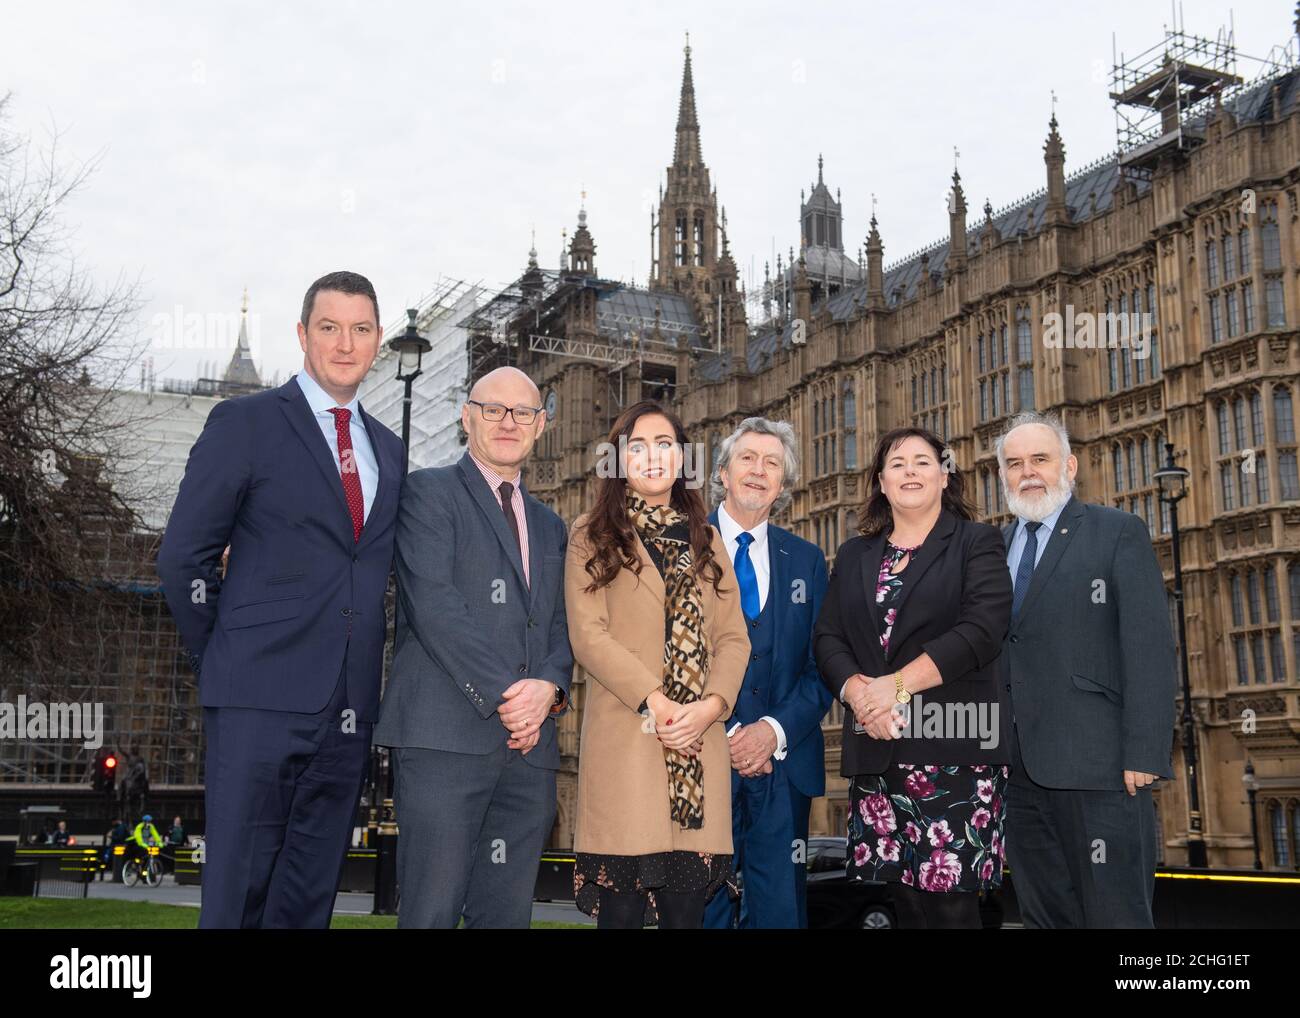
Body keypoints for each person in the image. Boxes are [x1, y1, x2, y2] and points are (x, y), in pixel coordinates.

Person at [157, 271, 405, 928]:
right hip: (255, 699)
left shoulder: (390, 449)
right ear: (302, 335)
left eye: (359, 329)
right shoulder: (246, 422)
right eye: (329, 327)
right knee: (238, 895)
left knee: (307, 898)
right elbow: (183, 557)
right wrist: (225, 659)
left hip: (347, 712)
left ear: (378, 340)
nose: (344, 343)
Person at [374, 366, 573, 929]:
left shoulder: (551, 526)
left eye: (524, 413)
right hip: (445, 740)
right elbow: (435, 608)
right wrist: (514, 697)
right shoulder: (427, 492)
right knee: (430, 913)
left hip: (529, 755)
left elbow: (560, 627)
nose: (509, 422)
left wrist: (551, 691)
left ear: (541, 426)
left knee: (505, 917)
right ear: (468, 417)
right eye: (494, 409)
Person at [813, 427, 1013, 929]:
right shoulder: (856, 554)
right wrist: (860, 696)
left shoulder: (976, 542)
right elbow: (827, 639)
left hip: (954, 746)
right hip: (878, 747)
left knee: (951, 906)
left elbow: (983, 630)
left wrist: (894, 687)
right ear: (880, 481)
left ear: (946, 475)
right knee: (905, 903)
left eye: (923, 461)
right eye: (897, 463)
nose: (909, 471)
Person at [565, 400, 751, 929]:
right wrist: (660, 703)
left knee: (685, 915)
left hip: (698, 748)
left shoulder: (707, 538)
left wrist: (712, 705)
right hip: (630, 742)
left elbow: (733, 638)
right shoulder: (591, 533)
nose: (653, 457)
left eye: (665, 445)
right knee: (621, 915)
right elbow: (589, 636)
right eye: (638, 446)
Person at [995, 411, 1175, 928]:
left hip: (1102, 769)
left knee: (1116, 916)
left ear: (1069, 466)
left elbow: (1149, 648)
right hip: (1019, 773)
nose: (1027, 472)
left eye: (1040, 459)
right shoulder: (993, 549)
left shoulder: (1117, 532)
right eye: (1014, 463)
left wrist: (1144, 752)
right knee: (1044, 916)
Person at [699, 418, 831, 929]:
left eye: (772, 463)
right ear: (724, 474)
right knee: (700, 913)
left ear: (783, 484)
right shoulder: (681, 547)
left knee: (779, 914)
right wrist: (725, 731)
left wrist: (770, 731)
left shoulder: (807, 560)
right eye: (747, 459)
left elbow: (824, 668)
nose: (759, 471)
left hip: (783, 766)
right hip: (700, 760)